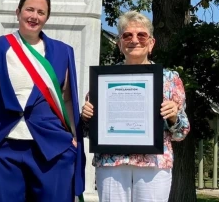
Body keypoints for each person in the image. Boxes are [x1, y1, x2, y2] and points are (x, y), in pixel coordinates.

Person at [0, 0, 85, 202]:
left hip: (51, 148)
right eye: (29, 9)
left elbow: (66, 99)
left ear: (47, 17)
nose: (34, 16)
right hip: (0, 145)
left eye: (41, 12)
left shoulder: (62, 52)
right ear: (18, 12)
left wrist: (74, 138)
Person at [81, 11, 190, 202]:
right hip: (112, 162)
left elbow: (181, 133)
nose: (134, 40)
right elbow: (89, 131)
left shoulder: (170, 79)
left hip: (154, 164)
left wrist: (174, 117)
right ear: (119, 43)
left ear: (151, 43)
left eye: (141, 35)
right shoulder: (104, 79)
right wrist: (86, 117)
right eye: (127, 35)